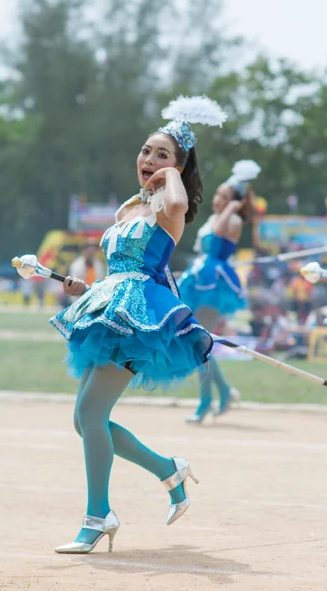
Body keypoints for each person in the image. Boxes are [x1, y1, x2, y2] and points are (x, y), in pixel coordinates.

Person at [49, 95, 227, 553]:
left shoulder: (173, 208)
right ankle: (169, 469)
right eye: (146, 151)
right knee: (84, 419)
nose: (148, 160)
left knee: (90, 415)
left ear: (179, 168)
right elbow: (119, 269)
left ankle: (98, 515)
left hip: (141, 321)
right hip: (107, 308)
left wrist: (172, 173)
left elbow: (176, 201)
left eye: (161, 154)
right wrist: (82, 286)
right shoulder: (128, 207)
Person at [178, 160, 260, 422]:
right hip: (199, 277)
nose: (217, 200)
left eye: (224, 197)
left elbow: (219, 231)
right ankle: (222, 392)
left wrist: (234, 206)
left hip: (215, 284)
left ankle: (207, 402)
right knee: (197, 344)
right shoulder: (217, 216)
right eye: (217, 195)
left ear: (234, 201)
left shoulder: (232, 219)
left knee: (199, 344)